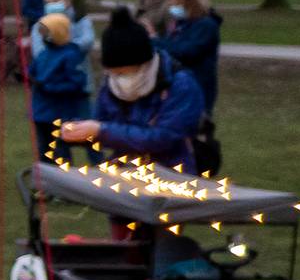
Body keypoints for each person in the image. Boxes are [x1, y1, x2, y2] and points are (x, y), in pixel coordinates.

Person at [60, 16, 203, 171]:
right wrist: (83, 132)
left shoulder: (180, 84)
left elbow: (164, 137)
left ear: (143, 64)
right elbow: (102, 123)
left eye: (123, 73)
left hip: (172, 174)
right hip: (126, 170)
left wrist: (101, 130)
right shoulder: (110, 84)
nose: (118, 79)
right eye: (114, 73)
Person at [157, 0, 222, 132]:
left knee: (195, 129)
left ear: (190, 3)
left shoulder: (205, 26)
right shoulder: (181, 25)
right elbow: (171, 45)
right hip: (178, 84)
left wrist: (158, 44)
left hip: (198, 84)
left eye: (175, 2)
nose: (171, 6)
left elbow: (186, 51)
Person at [30, 13, 93, 165]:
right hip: (40, 111)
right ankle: (45, 181)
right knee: (43, 149)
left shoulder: (70, 55)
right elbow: (34, 71)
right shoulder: (44, 53)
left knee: (59, 151)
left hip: (58, 112)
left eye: (45, 32)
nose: (43, 36)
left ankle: (64, 182)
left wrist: (51, 87)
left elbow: (77, 83)